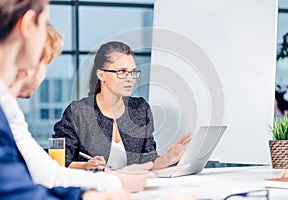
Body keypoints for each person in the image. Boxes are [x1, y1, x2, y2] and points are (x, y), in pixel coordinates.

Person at [0, 1, 132, 199]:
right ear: (27, 25)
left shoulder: (138, 110)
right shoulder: (78, 112)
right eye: (44, 24)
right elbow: (20, 189)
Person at [53, 41, 192, 171]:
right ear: (101, 75)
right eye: (122, 71)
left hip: (135, 189)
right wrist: (86, 166)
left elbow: (148, 160)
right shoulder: (79, 112)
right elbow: (60, 160)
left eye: (133, 72)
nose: (130, 78)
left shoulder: (140, 109)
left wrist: (166, 159)